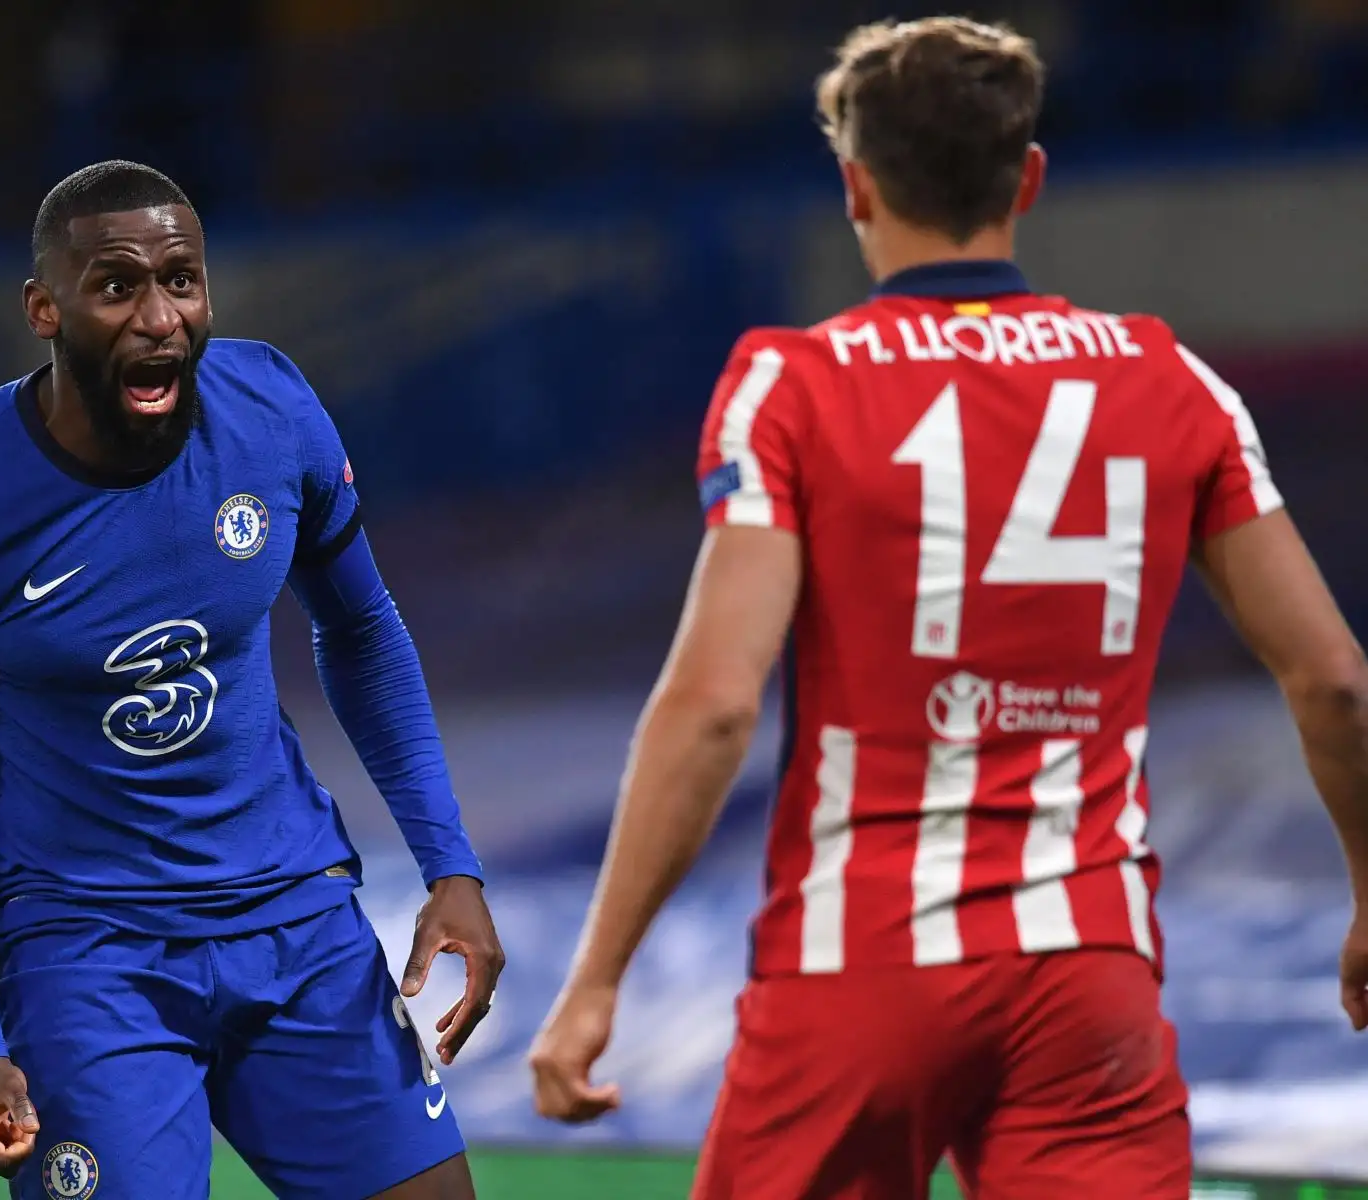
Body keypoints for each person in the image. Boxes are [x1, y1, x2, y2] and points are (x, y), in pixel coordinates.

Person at [528, 16, 1368, 1199]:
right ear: (1027, 178)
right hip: (1091, 975)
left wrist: (598, 978)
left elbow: (715, 706)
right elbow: (1333, 679)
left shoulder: (791, 384)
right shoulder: (1173, 379)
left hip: (856, 966)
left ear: (855, 186)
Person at [0, 160, 501, 1200]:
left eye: (183, 281)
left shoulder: (272, 410)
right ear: (44, 310)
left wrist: (451, 868)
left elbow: (364, 630)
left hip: (297, 921)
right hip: (86, 959)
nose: (161, 318)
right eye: (117, 287)